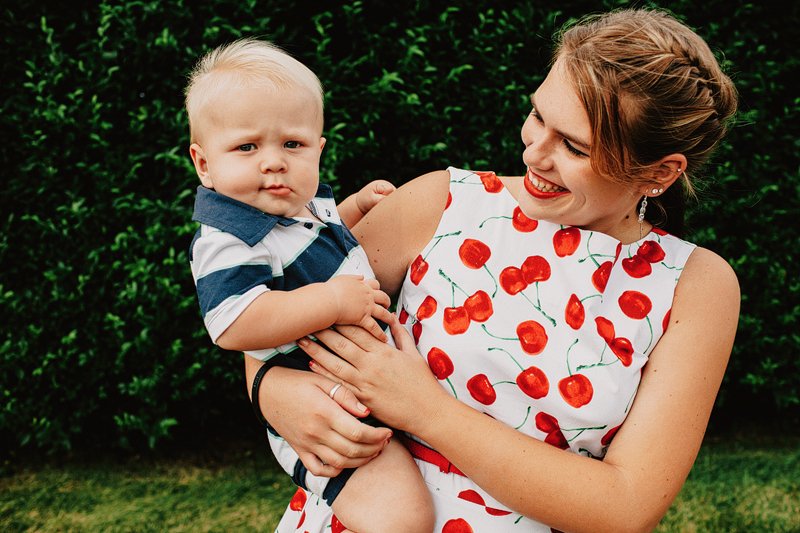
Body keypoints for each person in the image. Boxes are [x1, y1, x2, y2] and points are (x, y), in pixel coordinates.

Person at [246, 7, 741, 532]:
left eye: (574, 146)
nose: (535, 152)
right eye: (537, 117)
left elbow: (626, 507)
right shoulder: (441, 204)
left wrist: (424, 409)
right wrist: (271, 392)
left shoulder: (694, 287)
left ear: (658, 172)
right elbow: (268, 317)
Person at [184, 38, 434, 533]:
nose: (273, 161)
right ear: (204, 163)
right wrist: (332, 300)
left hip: (369, 383)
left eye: (292, 145)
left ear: (319, 148)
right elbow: (234, 322)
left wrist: (354, 209)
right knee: (403, 517)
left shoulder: (300, 206)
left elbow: (311, 245)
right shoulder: (229, 238)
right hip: (328, 410)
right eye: (246, 146)